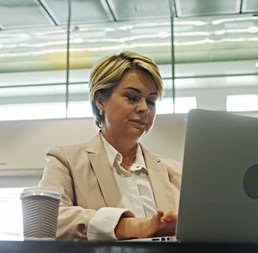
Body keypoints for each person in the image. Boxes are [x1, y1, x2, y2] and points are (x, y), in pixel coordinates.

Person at [39, 51, 181, 241]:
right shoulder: (66, 161)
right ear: (100, 101)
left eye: (151, 101)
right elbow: (47, 221)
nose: (144, 108)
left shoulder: (176, 171)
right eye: (132, 97)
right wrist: (130, 226)